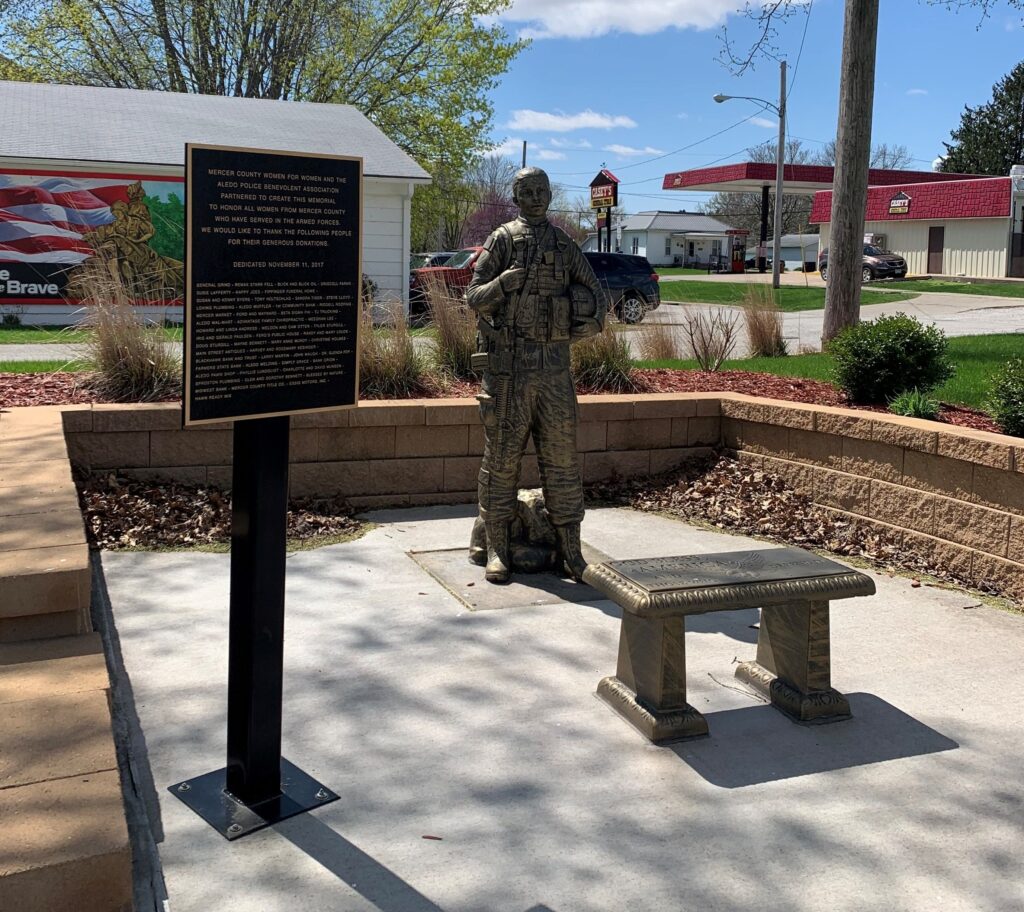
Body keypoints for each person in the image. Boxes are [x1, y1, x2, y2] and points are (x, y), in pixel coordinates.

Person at [466, 166, 604, 584]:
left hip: (555, 372)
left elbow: (597, 299)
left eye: (542, 191)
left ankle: (571, 552)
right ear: (516, 197)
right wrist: (504, 284)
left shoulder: (563, 244)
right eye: (527, 191)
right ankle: (497, 550)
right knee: (501, 462)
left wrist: (586, 323)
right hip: (510, 374)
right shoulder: (503, 240)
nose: (537, 198)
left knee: (562, 463)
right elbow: (474, 296)